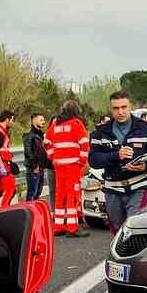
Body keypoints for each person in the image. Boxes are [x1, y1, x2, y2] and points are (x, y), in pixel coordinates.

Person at [89, 90, 147, 234]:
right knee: (118, 231)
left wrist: (145, 166)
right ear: (111, 110)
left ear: (130, 107)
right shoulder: (101, 132)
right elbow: (93, 160)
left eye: (124, 107)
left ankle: (135, 256)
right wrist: (116, 155)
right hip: (113, 188)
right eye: (116, 108)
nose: (120, 112)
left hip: (139, 187)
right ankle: (120, 255)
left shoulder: (145, 128)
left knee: (134, 227)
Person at [47, 101, 91, 236]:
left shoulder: (55, 124)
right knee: (72, 195)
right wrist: (82, 162)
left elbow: (46, 141)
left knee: (60, 195)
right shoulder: (76, 123)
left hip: (59, 166)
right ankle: (72, 228)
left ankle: (59, 227)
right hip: (72, 165)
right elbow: (84, 145)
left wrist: (53, 157)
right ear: (75, 111)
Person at [23, 112, 49, 201]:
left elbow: (42, 152)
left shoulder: (40, 135)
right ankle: (28, 213)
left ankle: (34, 213)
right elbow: (28, 152)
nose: (43, 122)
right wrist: (35, 166)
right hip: (33, 169)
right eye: (41, 120)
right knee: (32, 193)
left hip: (40, 168)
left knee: (38, 193)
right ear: (34, 120)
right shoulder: (29, 135)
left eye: (44, 120)